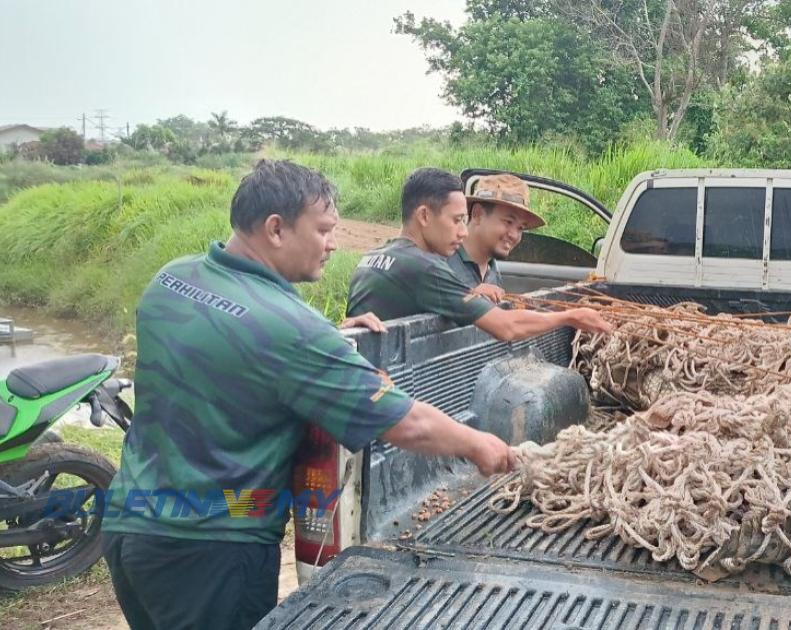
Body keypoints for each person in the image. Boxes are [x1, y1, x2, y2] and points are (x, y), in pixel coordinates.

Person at [100, 160, 515, 630]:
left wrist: (327, 335)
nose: (333, 244)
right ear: (276, 229)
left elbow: (229, 344)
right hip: (211, 548)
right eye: (323, 230)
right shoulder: (292, 329)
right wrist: (482, 444)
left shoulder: (172, 279)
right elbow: (406, 422)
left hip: (128, 525)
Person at [345, 167, 611, 341]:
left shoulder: (376, 256)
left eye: (521, 228)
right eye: (457, 220)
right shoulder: (425, 267)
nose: (462, 232)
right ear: (424, 215)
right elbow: (506, 327)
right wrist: (569, 316)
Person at [445, 172, 545, 303]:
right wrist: (470, 295)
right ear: (478, 214)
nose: (514, 235)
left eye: (520, 228)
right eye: (508, 222)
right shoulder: (442, 261)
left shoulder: (493, 270)